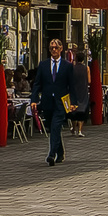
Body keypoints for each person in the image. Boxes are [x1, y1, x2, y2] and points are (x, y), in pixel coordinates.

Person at [29, 38, 75, 166]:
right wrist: (34, 99)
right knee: (52, 128)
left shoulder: (67, 66)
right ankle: (60, 152)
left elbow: (71, 85)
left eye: (56, 48)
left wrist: (73, 102)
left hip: (61, 102)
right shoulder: (43, 65)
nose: (53, 50)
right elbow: (37, 84)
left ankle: (51, 154)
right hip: (47, 101)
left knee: (56, 126)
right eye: (51, 48)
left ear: (61, 49)